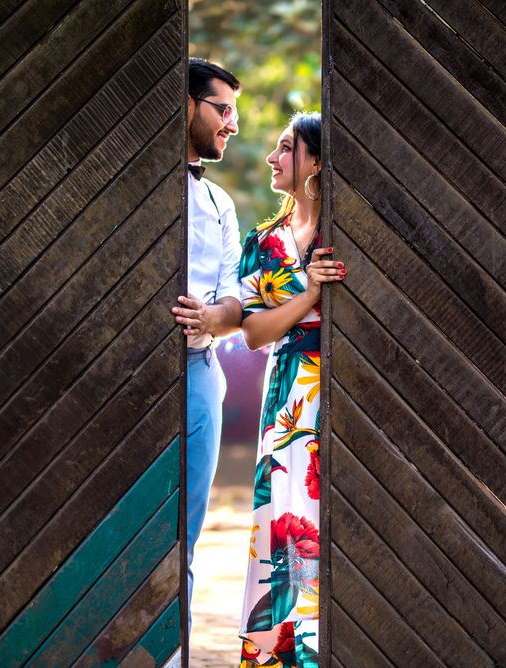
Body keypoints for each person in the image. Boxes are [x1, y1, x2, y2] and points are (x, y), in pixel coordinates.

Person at [237, 112, 343, 668]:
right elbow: (254, 332)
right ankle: (284, 659)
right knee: (283, 522)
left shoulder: (347, 229)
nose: (273, 158)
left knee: (330, 521)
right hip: (285, 402)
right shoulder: (263, 241)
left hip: (343, 393)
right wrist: (309, 297)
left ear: (317, 161)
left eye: (286, 148)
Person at [173, 58, 244, 622]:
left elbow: (235, 300)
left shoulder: (221, 205)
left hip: (198, 376)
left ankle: (174, 656)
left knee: (184, 534)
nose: (233, 124)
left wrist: (211, 320)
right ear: (187, 104)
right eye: (223, 109)